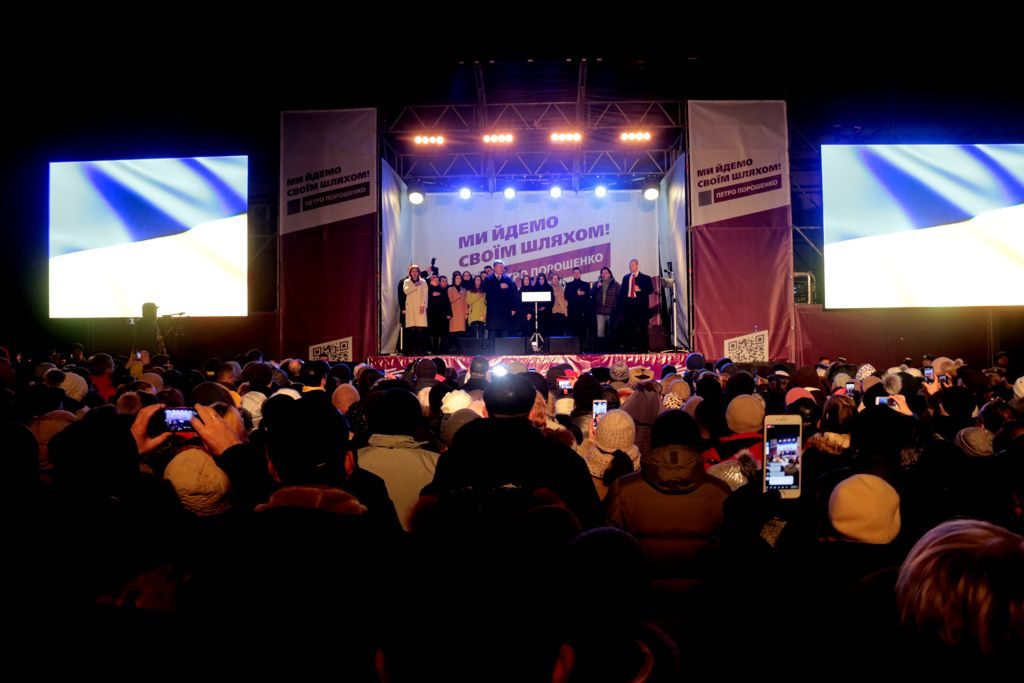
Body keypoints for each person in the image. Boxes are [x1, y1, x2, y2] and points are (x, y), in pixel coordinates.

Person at [618, 259, 653, 352]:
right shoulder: (626, 278)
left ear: (637, 265)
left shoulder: (645, 278)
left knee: (642, 327)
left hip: (641, 307)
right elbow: (622, 292)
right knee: (628, 327)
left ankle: (643, 348)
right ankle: (628, 348)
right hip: (629, 306)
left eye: (632, 265)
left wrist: (640, 289)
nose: (631, 267)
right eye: (630, 265)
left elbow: (650, 289)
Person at [481, 259, 517, 338]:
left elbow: (512, 294)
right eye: (500, 267)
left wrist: (513, 308)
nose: (502, 268)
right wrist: (498, 286)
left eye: (503, 267)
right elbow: (485, 290)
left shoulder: (508, 279)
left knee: (504, 336)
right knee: (492, 335)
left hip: (505, 312)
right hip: (493, 313)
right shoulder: (488, 279)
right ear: (494, 268)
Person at [402, 264, 429, 355]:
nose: (414, 273)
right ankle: (412, 351)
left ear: (418, 272)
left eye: (416, 271)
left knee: (420, 329)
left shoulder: (423, 282)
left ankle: (421, 351)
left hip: (420, 307)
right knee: (412, 330)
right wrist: (415, 285)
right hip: (411, 308)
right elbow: (406, 291)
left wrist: (423, 305)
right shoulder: (406, 281)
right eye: (413, 271)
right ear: (410, 273)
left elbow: (425, 294)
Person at [591, 267, 619, 350]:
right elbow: (591, 294)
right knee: (600, 331)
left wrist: (615, 308)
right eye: (602, 273)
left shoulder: (615, 284)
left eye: (606, 273)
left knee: (612, 331)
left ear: (610, 274)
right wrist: (596, 287)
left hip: (611, 311)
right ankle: (601, 349)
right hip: (600, 311)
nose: (604, 274)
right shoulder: (597, 284)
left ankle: (611, 349)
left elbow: (619, 297)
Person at [427, 274, 451, 354]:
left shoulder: (442, 290)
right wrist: (431, 295)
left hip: (441, 315)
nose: (436, 282)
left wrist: (449, 313)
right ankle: (434, 350)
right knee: (433, 333)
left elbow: (447, 302)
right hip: (431, 315)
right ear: (431, 281)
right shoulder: (427, 289)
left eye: (437, 280)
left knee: (442, 333)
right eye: (435, 280)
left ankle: (441, 350)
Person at [565, 267, 590, 342]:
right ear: (572, 274)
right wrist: (576, 293)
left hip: (582, 312)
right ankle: (573, 345)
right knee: (572, 330)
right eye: (575, 273)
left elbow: (589, 295)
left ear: (580, 274)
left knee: (582, 330)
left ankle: (583, 345)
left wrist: (584, 293)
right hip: (572, 312)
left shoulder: (585, 284)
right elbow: (566, 296)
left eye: (578, 273)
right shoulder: (569, 285)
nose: (576, 274)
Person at [448, 272, 468, 351]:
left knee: (461, 332)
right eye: (457, 278)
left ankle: (460, 348)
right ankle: (454, 348)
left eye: (460, 278)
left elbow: (465, 302)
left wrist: (466, 313)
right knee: (454, 331)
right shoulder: (450, 289)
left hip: (462, 313)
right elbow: (451, 300)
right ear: (454, 279)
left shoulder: (464, 289)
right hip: (454, 313)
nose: (459, 280)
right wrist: (459, 295)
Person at [466, 275, 487, 339]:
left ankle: (482, 345)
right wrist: (478, 296)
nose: (478, 281)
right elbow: (468, 302)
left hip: (481, 315)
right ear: (474, 281)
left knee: (481, 334)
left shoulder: (484, 292)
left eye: (479, 280)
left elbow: (485, 304)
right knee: (474, 334)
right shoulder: (469, 291)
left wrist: (485, 314)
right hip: (473, 315)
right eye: (476, 280)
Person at [550, 272, 568, 336]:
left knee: (560, 332)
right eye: (554, 278)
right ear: (551, 280)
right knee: (553, 332)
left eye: (556, 278)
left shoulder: (562, 289)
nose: (555, 280)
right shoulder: (549, 288)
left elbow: (565, 301)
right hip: (551, 312)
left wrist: (565, 312)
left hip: (561, 312)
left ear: (558, 280)